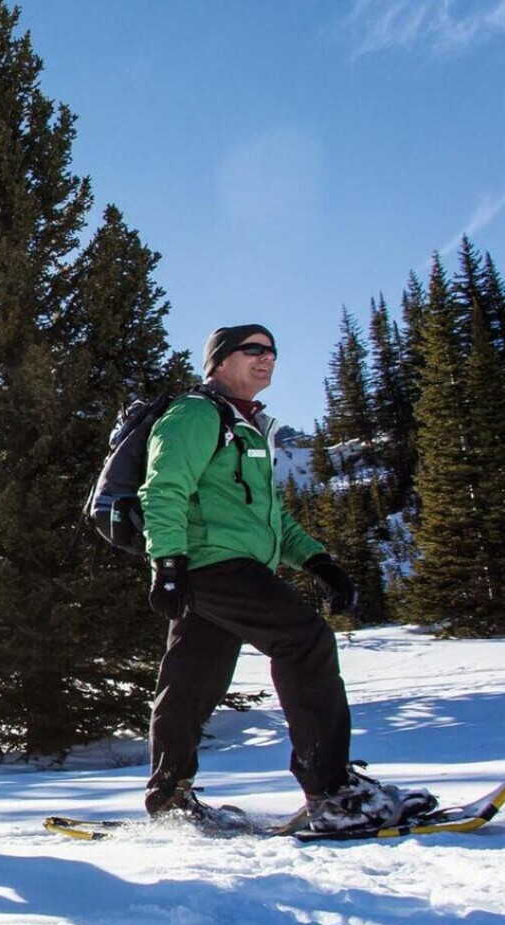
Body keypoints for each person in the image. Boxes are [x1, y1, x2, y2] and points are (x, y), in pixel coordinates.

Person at [139, 323, 434, 833]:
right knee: (305, 640)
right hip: (211, 563)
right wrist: (167, 564)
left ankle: (169, 798)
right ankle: (333, 792)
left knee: (190, 680)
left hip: (225, 566)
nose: (267, 358)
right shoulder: (194, 414)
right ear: (218, 362)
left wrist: (318, 561)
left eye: (273, 351)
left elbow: (273, 518)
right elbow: (162, 490)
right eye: (253, 350)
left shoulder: (246, 427)